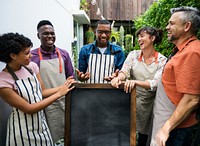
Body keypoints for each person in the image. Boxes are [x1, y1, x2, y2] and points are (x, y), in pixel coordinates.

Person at [0, 32, 75, 146]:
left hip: (41, 125)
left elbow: (42, 92)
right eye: (26, 53)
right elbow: (29, 109)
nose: (31, 55)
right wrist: (59, 93)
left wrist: (64, 86)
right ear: (13, 56)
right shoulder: (3, 82)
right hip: (22, 130)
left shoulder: (31, 67)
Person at [150, 6, 200, 146]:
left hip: (176, 130)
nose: (167, 27)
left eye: (172, 23)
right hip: (169, 124)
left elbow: (192, 99)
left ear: (187, 26)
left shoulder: (192, 52)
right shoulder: (180, 50)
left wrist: (166, 129)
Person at [111, 26, 167, 146]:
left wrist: (135, 82)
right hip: (131, 100)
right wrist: (118, 78)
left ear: (152, 38)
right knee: (126, 133)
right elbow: (124, 71)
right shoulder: (133, 55)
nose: (139, 39)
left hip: (150, 104)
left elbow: (155, 83)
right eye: (138, 37)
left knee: (144, 137)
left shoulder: (162, 60)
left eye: (142, 36)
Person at [31, 20, 75, 145]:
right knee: (47, 139)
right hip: (44, 105)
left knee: (67, 135)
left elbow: (71, 77)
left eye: (52, 33)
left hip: (65, 102)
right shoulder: (32, 57)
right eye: (45, 33)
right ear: (38, 35)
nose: (50, 36)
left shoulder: (64, 54)